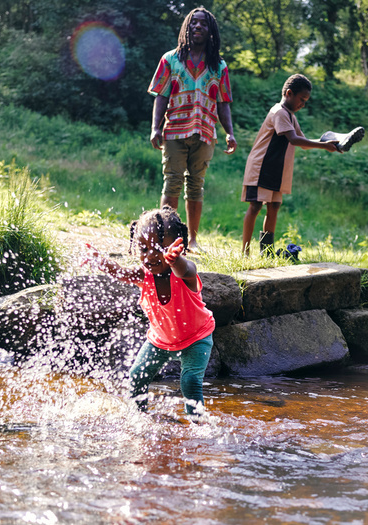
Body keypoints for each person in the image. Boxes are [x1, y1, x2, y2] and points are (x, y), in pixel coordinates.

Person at [83, 206, 215, 416]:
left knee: (189, 381)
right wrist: (101, 261)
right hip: (160, 341)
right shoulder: (143, 276)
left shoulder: (184, 274)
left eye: (160, 248)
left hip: (196, 339)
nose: (151, 255)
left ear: (176, 246)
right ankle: (139, 417)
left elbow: (186, 270)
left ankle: (197, 425)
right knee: (137, 376)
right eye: (144, 249)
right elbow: (121, 272)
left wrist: (175, 261)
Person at [148, 7, 237, 253]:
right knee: (172, 183)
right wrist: (155, 128)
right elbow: (161, 96)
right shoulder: (170, 59)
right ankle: (166, 238)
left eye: (203, 24)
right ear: (187, 28)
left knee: (196, 185)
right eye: (193, 23)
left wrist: (229, 132)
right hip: (175, 130)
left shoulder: (219, 66)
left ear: (211, 32)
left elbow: (223, 102)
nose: (198, 27)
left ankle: (192, 241)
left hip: (206, 132)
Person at [241, 74, 344, 256]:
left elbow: (303, 142)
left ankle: (267, 252)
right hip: (261, 168)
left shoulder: (290, 116)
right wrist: (323, 145)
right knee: (255, 206)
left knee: (273, 207)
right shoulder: (279, 112)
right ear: (289, 93)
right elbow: (294, 139)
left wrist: (329, 144)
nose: (303, 104)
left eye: (305, 101)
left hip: (276, 171)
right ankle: (245, 252)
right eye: (301, 100)